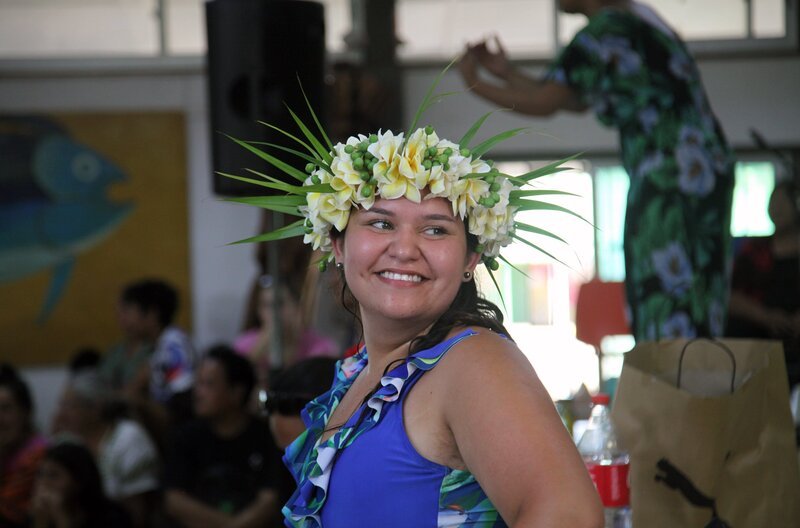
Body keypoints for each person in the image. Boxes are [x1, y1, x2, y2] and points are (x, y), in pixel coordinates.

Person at [223, 104, 603, 523]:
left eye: (436, 229)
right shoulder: (360, 371)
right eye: (381, 224)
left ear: (471, 258)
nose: (405, 250)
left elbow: (570, 517)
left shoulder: (474, 363)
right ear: (337, 245)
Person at [459, 0, 735, 340]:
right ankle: (693, 374)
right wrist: (504, 73)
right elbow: (570, 97)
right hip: (700, 171)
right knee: (696, 285)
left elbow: (547, 101)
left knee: (666, 287)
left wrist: (473, 82)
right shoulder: (633, 25)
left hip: (673, 175)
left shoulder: (605, 31)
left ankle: (674, 380)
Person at [164, 345, 284, 528]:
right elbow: (174, 501)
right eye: (198, 383)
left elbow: (269, 501)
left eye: (208, 384)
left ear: (236, 393)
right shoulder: (186, 435)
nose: (198, 392)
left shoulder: (266, 437)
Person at [52, 372, 160, 528]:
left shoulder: (129, 438)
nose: (61, 414)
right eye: (61, 405)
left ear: (95, 408)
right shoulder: (66, 441)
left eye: (70, 406)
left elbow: (137, 516)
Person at [727, 181, 800, 387]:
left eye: (782, 203)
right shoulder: (755, 250)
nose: (776, 209)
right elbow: (731, 297)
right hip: (760, 336)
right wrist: (767, 318)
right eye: (772, 202)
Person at [234, 275, 338, 373]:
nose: (273, 312)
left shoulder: (321, 348)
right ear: (259, 311)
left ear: (296, 306)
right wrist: (258, 351)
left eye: (280, 303)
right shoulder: (244, 346)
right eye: (266, 305)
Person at [29, 442, 132, 528]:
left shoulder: (111, 519)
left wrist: (62, 518)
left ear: (79, 481)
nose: (43, 483)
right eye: (40, 474)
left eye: (54, 475)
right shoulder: (38, 514)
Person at [0, 365, 47, 528]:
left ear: (26, 412)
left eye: (5, 409)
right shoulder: (8, 450)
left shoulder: (39, 456)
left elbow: (5, 511)